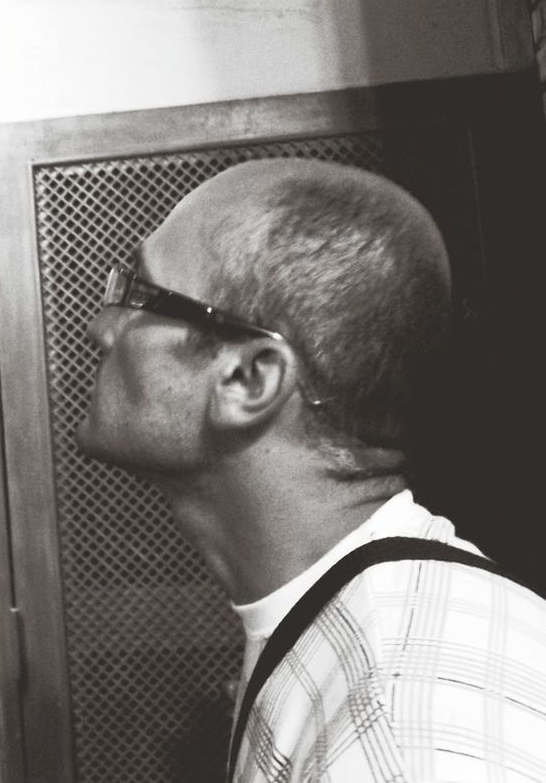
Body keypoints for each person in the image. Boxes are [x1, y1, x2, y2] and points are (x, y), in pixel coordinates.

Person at [76, 158, 546, 782]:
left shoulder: (403, 736)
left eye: (140, 295)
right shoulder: (339, 615)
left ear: (250, 379)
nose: (100, 327)